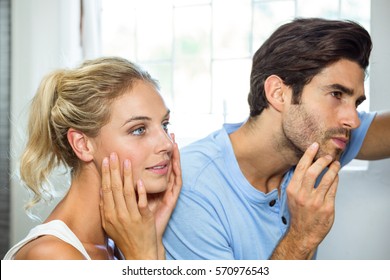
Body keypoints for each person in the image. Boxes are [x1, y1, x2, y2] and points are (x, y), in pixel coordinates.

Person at [161, 18, 390, 259]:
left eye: (355, 103)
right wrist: (302, 236)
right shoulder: (192, 190)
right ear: (278, 93)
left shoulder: (320, 144)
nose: (353, 121)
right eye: (336, 94)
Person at [3, 57, 182, 260]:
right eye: (139, 129)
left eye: (165, 125)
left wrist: (152, 239)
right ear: (82, 144)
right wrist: (144, 256)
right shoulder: (52, 256)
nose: (167, 144)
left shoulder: (114, 246)